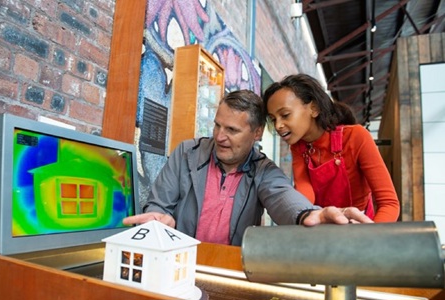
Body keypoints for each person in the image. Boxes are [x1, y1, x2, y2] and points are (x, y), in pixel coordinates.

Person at [123, 89, 373, 246]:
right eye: (217, 125)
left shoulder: (264, 170)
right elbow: (158, 205)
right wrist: (157, 219)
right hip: (178, 261)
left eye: (232, 130)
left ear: (256, 133)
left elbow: (283, 198)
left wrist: (310, 214)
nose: (220, 137)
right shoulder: (187, 152)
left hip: (229, 270)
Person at [263, 74, 400, 223]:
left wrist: (371, 237)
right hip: (323, 224)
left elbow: (390, 203)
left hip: (360, 225)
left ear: (314, 108)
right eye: (273, 119)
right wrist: (301, 213)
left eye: (285, 115)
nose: (278, 125)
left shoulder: (356, 136)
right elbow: (305, 194)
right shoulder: (298, 147)